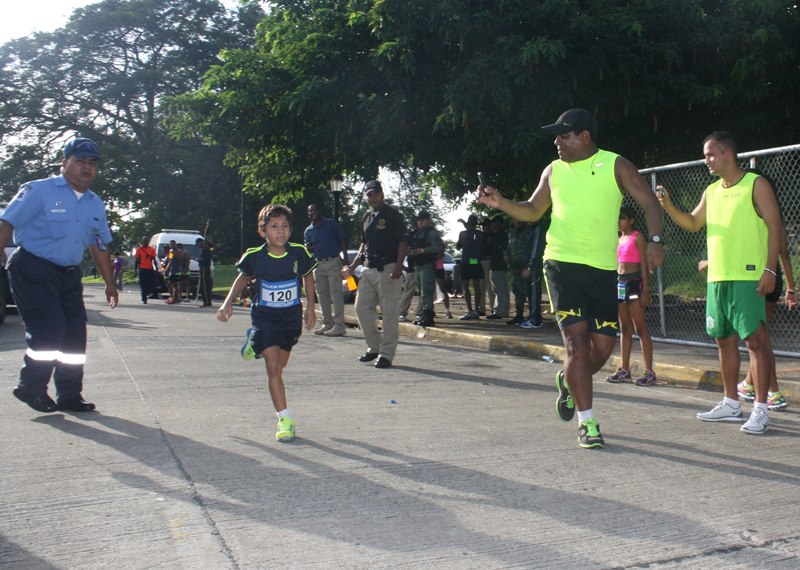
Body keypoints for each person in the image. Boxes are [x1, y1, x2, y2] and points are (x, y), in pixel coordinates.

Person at [477, 108, 664, 449]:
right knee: (576, 346)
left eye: (563, 136)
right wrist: (501, 202)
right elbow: (533, 209)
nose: (557, 142)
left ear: (584, 136)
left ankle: (567, 380)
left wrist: (653, 240)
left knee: (602, 349)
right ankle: (587, 422)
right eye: (557, 137)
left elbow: (649, 201)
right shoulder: (553, 171)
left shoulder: (615, 165)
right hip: (562, 265)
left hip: (603, 270)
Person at [658, 131, 781, 435]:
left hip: (748, 276)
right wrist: (668, 205)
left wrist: (770, 269)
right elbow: (693, 223)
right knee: (723, 340)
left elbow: (775, 226)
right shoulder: (711, 191)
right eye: (705, 155)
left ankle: (761, 409)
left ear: (727, 154)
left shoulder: (756, 184)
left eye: (711, 154)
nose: (707, 160)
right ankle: (730, 403)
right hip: (718, 279)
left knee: (755, 342)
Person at [0, 136, 118, 413]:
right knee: (50, 328)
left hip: (68, 274)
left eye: (93, 163)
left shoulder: (94, 203)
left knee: (75, 335)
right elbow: (7, 222)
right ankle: (31, 386)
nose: (87, 167)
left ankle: (69, 395)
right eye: (80, 161)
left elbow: (99, 245)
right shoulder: (38, 190)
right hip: (33, 267)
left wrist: (110, 283)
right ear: (64, 163)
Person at [216, 204, 316, 442]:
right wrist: (227, 303)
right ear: (262, 232)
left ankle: (254, 342)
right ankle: (285, 419)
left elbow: (308, 277)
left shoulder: (299, 253)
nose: (280, 231)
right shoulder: (255, 256)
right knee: (273, 367)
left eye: (284, 226)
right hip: (265, 318)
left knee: (280, 366)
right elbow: (242, 278)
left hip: (290, 319)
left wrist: (310, 307)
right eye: (274, 227)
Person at [344, 180, 407, 369]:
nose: (373, 198)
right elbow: (364, 244)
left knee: (389, 312)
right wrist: (353, 265)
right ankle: (374, 347)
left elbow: (403, 242)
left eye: (375, 194)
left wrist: (399, 266)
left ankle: (386, 354)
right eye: (369, 195)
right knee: (361, 307)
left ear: (382, 194)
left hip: (388, 267)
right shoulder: (367, 216)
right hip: (368, 268)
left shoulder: (393, 215)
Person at [606, 205, 656, 386]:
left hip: (634, 284)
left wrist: (645, 290)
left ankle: (649, 371)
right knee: (625, 328)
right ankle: (624, 370)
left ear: (631, 220)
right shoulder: (619, 239)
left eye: (623, 218)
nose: (619, 222)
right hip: (620, 284)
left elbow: (644, 264)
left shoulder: (637, 237)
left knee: (640, 327)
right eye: (618, 218)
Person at [304, 203, 348, 336]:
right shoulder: (308, 231)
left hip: (333, 261)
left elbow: (343, 241)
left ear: (319, 211)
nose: (312, 213)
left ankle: (339, 325)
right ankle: (327, 324)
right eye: (310, 212)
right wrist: (308, 248)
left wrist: (345, 260)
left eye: (314, 210)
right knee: (322, 294)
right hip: (318, 264)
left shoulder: (331, 224)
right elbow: (307, 248)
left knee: (336, 295)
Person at [408, 210, 443, 327]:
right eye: (419, 220)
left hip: (427, 265)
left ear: (428, 220)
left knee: (426, 291)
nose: (420, 222)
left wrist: (423, 250)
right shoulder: (416, 233)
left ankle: (429, 316)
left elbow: (438, 247)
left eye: (423, 220)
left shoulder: (431, 233)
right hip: (418, 264)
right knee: (421, 291)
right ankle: (425, 314)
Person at [456, 215, 484, 320]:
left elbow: (458, 246)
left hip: (466, 262)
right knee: (477, 287)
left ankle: (470, 310)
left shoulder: (463, 233)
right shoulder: (480, 234)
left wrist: (461, 242)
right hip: (475, 261)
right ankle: (475, 310)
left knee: (465, 287)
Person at [485, 216, 510, 320]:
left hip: (500, 265)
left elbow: (504, 251)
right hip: (495, 265)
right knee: (498, 289)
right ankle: (502, 310)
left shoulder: (502, 235)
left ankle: (500, 311)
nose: (492, 225)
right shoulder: (494, 235)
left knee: (501, 289)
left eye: (494, 223)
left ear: (499, 224)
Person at [134, 236, 159, 303]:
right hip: (142, 269)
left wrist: (156, 269)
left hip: (150, 269)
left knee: (151, 283)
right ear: (142, 241)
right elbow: (136, 261)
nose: (146, 242)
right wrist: (135, 271)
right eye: (144, 241)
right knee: (143, 284)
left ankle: (147, 293)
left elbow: (154, 260)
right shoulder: (139, 250)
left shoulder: (151, 249)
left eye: (147, 241)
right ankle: (144, 299)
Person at [195, 237, 214, 307]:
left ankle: (206, 301)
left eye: (198, 244)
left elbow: (205, 260)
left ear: (200, 243)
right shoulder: (204, 249)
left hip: (204, 269)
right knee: (204, 286)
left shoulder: (205, 249)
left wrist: (198, 259)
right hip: (203, 269)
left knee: (205, 286)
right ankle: (207, 301)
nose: (198, 246)